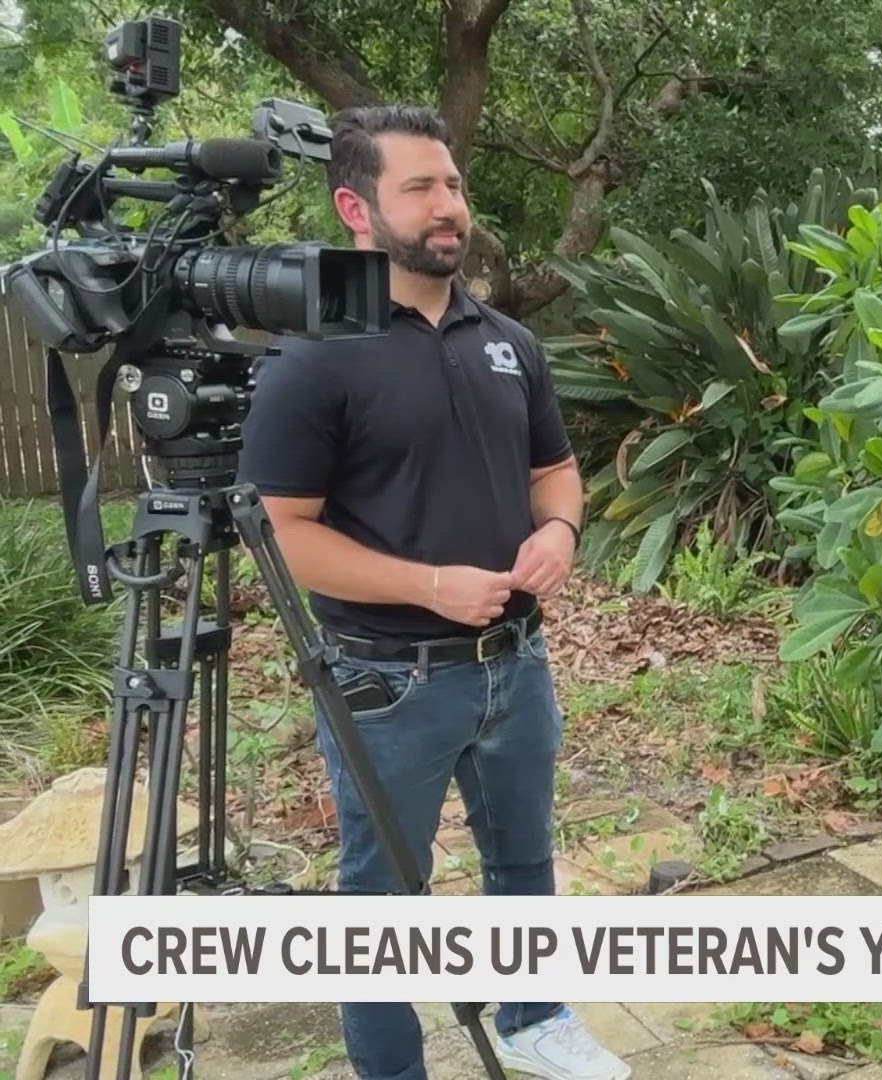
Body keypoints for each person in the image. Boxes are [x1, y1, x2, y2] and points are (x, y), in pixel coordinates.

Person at [236, 105, 629, 1080]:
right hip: (388, 683)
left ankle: (535, 1019)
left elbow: (558, 472)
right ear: (355, 207)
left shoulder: (507, 341)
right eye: (420, 187)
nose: (448, 205)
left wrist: (559, 532)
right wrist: (431, 586)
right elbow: (282, 540)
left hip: (517, 668)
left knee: (523, 864)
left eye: (451, 183)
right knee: (381, 900)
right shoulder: (311, 359)